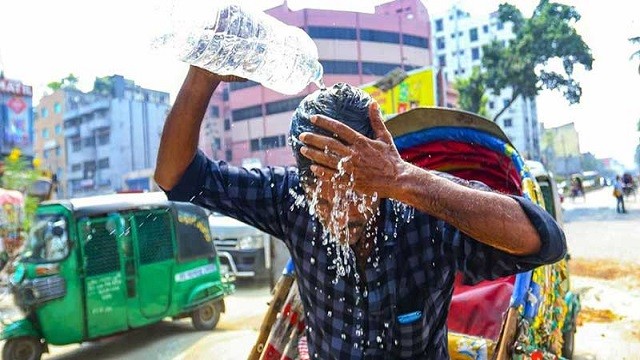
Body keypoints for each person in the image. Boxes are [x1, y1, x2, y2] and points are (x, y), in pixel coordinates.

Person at [154, 66, 566, 359]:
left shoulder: (422, 213)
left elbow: (543, 241)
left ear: (379, 173)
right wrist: (202, 75)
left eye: (358, 190)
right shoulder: (291, 201)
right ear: (306, 183)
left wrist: (403, 179)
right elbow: (176, 177)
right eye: (326, 195)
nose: (342, 210)